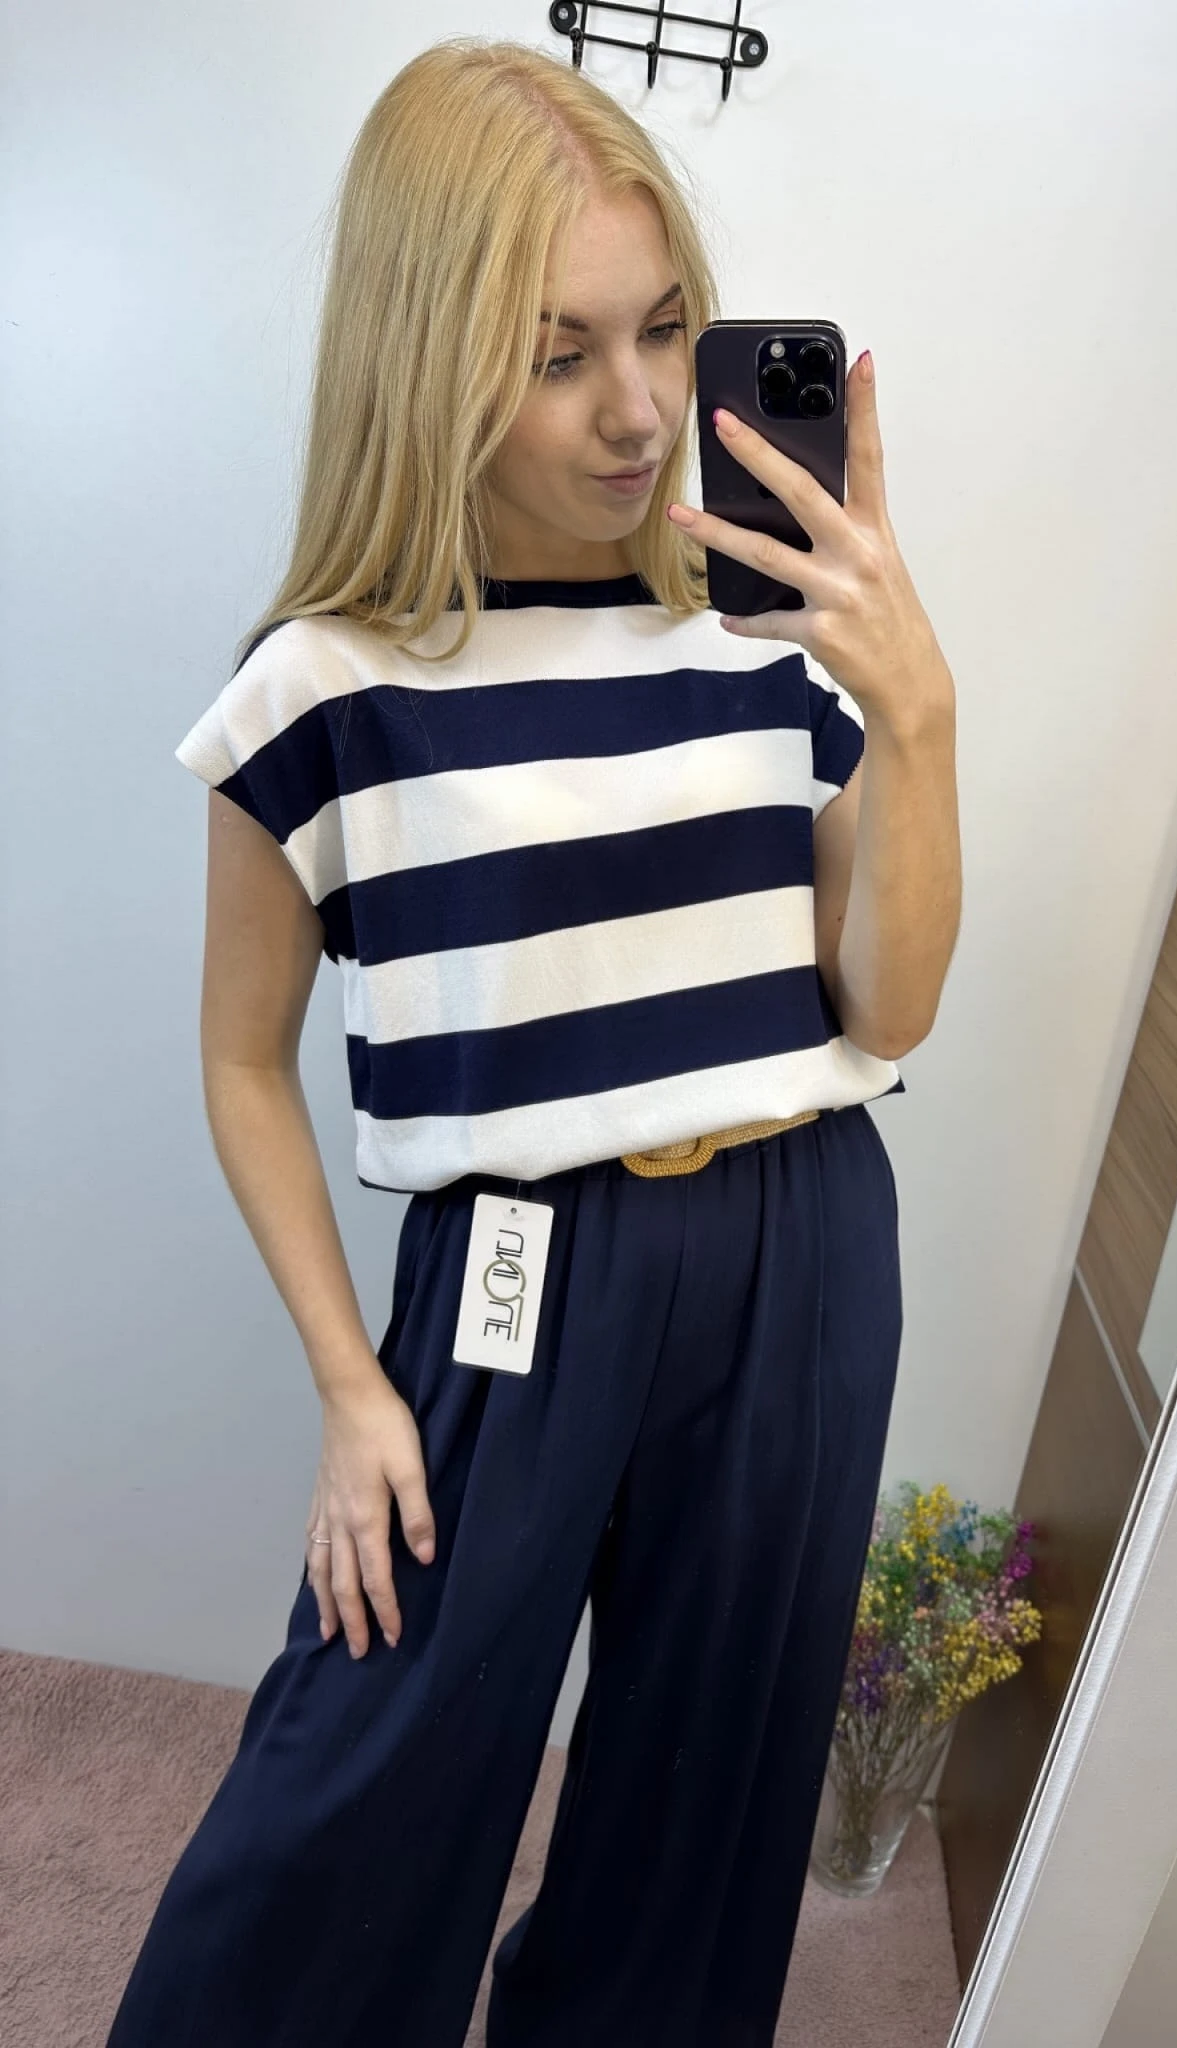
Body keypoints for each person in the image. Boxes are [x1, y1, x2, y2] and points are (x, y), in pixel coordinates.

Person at [105, 35, 914, 2048]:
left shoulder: (769, 632)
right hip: (517, 1275)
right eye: (559, 354)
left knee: (706, 1798)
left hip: (807, 1241)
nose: (638, 408)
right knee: (368, 1773)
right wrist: (347, 1387)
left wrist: (922, 717)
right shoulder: (325, 684)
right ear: (429, 359)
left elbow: (889, 1008)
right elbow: (241, 1057)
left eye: (664, 329)